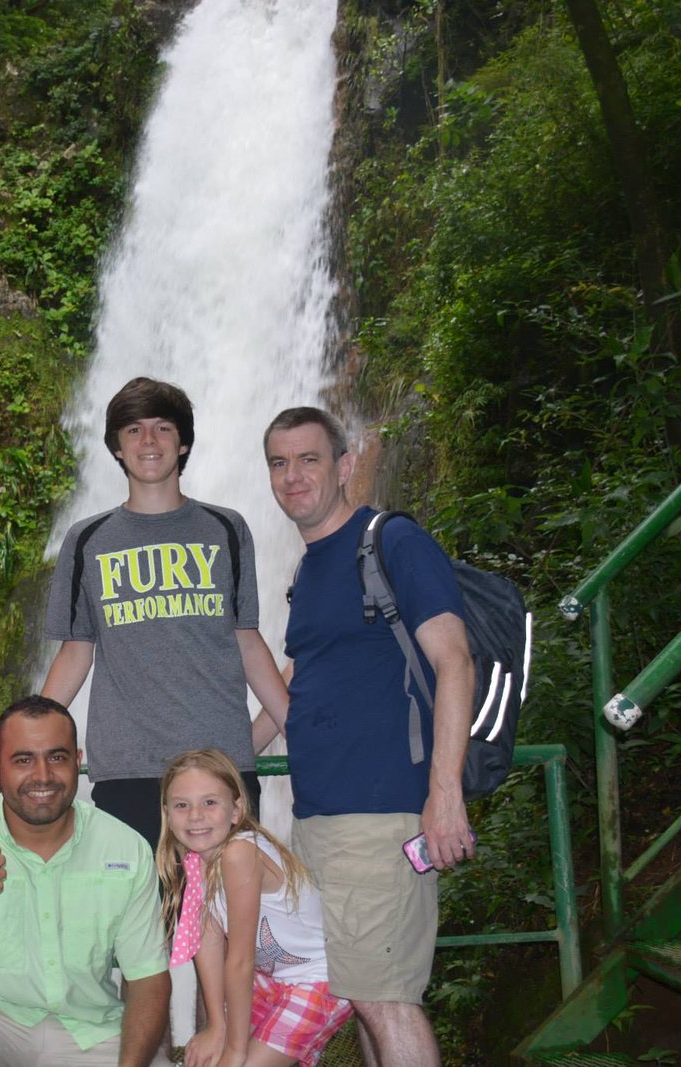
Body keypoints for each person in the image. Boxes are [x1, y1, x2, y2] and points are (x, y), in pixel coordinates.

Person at [261, 407, 475, 1067]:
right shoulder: (310, 570)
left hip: (382, 813)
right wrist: (231, 754)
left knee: (386, 998)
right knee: (361, 993)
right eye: (279, 463)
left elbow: (454, 661)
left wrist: (444, 793)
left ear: (345, 465)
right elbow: (302, 676)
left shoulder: (392, 542)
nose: (293, 476)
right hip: (318, 817)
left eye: (309, 459)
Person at [42, 376, 289, 846]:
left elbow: (246, 639)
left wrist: (298, 730)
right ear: (117, 447)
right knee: (139, 895)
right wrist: (26, 739)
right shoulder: (87, 540)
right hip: (127, 768)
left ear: (184, 442)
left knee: (228, 892)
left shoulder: (227, 529)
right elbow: (75, 652)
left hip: (221, 764)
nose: (149, 441)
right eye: (134, 430)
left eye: (163, 428)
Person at [0, 696, 171, 1067]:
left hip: (90, 1027)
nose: (42, 775)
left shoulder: (124, 847)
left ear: (77, 760)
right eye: (23, 760)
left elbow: (148, 979)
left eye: (57, 757)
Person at [157, 749, 353, 1067]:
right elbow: (207, 941)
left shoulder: (239, 852)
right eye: (182, 805)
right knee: (210, 1057)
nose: (195, 816)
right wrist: (216, 1027)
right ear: (167, 813)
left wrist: (235, 1051)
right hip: (271, 979)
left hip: (320, 979)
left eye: (210, 802)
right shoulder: (197, 860)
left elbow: (241, 959)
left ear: (236, 810)